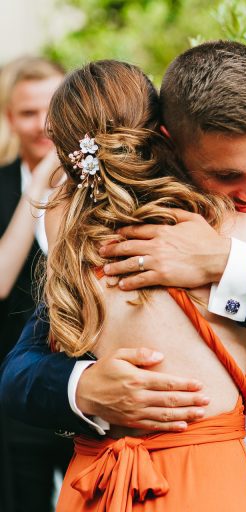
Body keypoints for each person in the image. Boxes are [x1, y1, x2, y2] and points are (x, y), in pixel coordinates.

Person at [0, 41, 246, 511]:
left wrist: (226, 263)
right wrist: (83, 387)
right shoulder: (120, 226)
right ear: (170, 142)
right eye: (227, 175)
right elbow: (22, 368)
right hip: (156, 481)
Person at [0, 55, 71, 512]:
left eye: (53, 108)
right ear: (9, 118)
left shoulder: (102, 183)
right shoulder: (4, 185)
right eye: (28, 113)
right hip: (18, 390)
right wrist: (42, 177)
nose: (44, 124)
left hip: (89, 385)